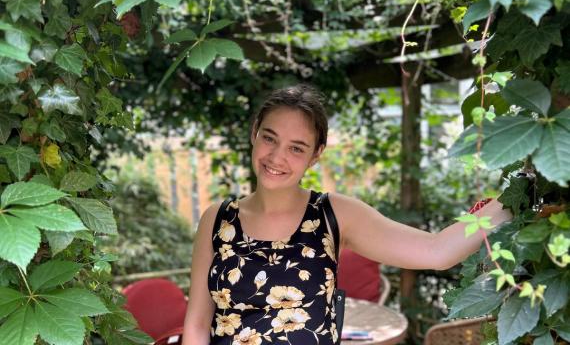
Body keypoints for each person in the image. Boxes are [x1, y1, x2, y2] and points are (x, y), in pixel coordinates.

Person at [182, 84, 511, 345]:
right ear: (255, 133)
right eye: (270, 138)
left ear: (315, 155)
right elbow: (196, 327)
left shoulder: (332, 214)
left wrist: (517, 195)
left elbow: (435, 251)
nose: (277, 157)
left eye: (296, 147)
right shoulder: (217, 219)